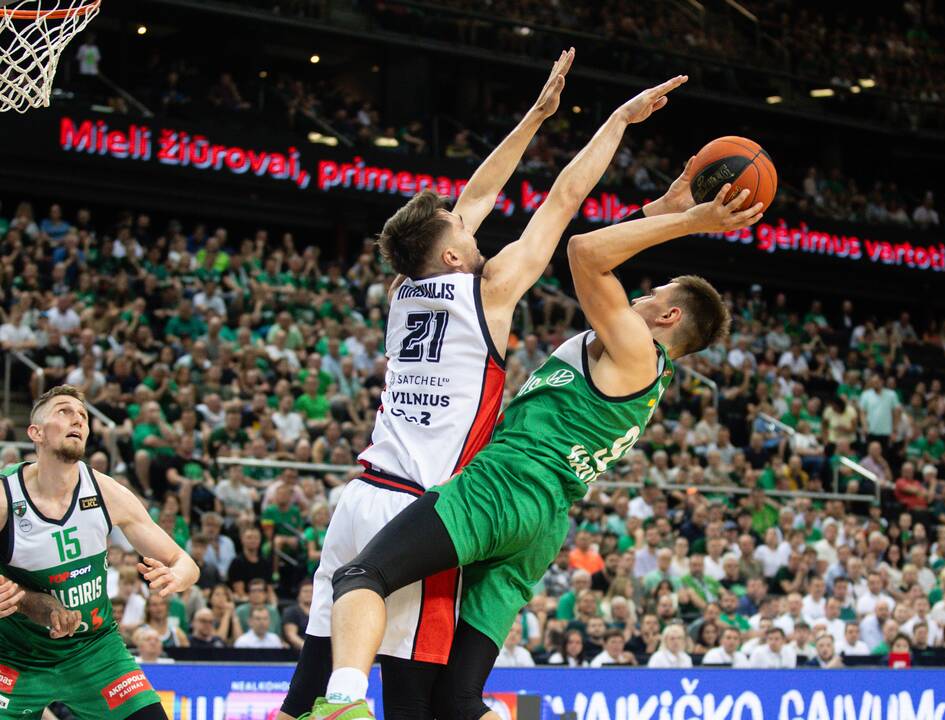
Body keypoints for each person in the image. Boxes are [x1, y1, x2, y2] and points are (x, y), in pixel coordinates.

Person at [311, 135, 763, 720]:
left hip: (503, 489)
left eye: (650, 294)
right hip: (542, 522)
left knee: (362, 575)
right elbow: (601, 257)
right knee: (457, 700)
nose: (637, 296)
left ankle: (340, 707)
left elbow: (585, 251)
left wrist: (691, 221)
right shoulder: (630, 357)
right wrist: (661, 212)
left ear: (669, 317)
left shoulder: (636, 348)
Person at [281, 48, 631, 720]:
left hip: (357, 499)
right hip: (422, 510)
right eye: (462, 232)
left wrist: (535, 116)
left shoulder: (402, 289)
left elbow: (472, 196)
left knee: (304, 693)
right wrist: (615, 120)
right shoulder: (492, 293)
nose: (473, 228)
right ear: (450, 253)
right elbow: (562, 199)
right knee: (415, 705)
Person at [0, 385, 199, 719]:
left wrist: (175, 576)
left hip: (93, 650)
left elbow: (184, 561)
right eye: (64, 411)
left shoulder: (106, 492)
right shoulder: (7, 495)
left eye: (82, 415)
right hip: (14, 655)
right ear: (35, 432)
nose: (77, 418)